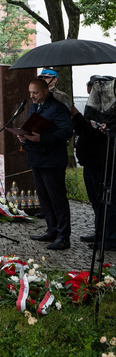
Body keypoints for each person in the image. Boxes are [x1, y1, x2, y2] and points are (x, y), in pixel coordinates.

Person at [18, 78, 74, 250]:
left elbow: (66, 132)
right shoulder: (35, 106)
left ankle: (63, 236)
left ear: (45, 91)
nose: (31, 96)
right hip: (37, 158)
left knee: (57, 198)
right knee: (44, 198)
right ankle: (51, 230)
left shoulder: (58, 108)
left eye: (35, 93)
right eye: (30, 92)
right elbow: (33, 127)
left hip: (52, 160)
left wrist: (42, 138)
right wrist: (24, 136)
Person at [71, 76, 116, 251]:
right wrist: (76, 117)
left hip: (104, 164)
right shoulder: (93, 110)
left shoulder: (110, 113)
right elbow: (85, 130)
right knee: (96, 202)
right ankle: (100, 232)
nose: (91, 96)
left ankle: (110, 238)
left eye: (93, 93)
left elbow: (97, 131)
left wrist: (79, 117)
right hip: (89, 163)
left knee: (108, 202)